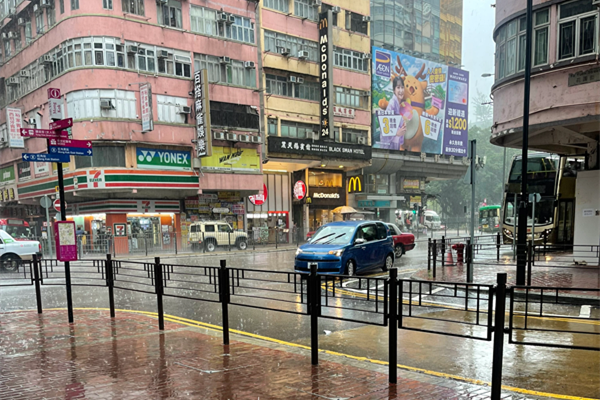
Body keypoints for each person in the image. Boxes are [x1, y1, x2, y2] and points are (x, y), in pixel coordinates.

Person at [379, 75, 413, 150]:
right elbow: (385, 127)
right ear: (394, 90)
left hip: (395, 144)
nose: (401, 90)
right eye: (398, 87)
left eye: (402, 87)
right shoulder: (392, 104)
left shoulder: (398, 104)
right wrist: (397, 133)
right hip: (389, 146)